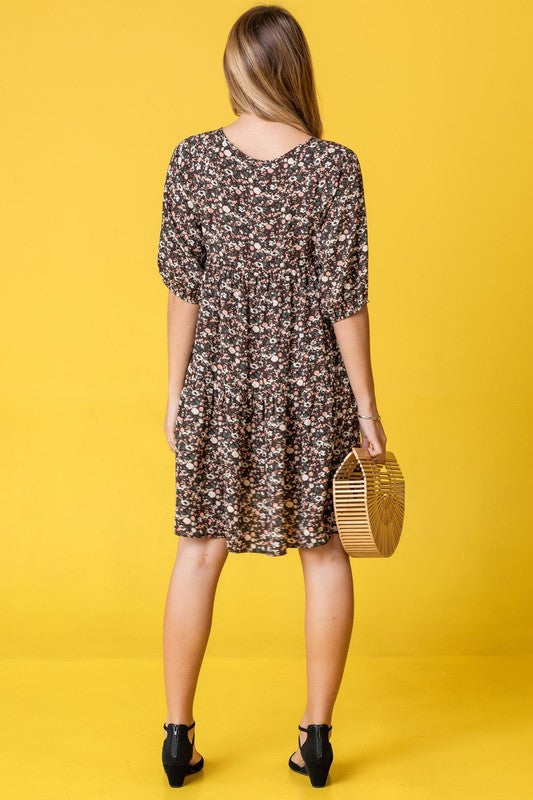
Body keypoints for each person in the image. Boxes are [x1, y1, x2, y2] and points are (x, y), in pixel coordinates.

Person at [157, 4, 387, 788]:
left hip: (218, 384)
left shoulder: (191, 161)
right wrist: (366, 410)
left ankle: (176, 734)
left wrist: (175, 392)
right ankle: (315, 739)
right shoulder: (333, 166)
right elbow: (343, 300)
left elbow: (181, 289)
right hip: (309, 383)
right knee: (324, 551)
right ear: (295, 70)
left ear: (235, 70)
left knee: (196, 550)